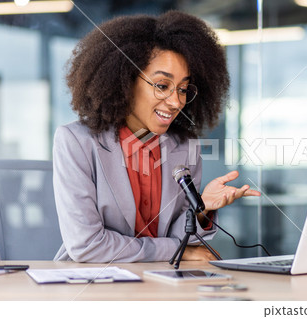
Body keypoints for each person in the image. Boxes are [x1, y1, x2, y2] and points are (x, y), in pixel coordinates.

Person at [53, 11, 260, 263]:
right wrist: (175, 252)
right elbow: (87, 246)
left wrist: (202, 208)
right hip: (92, 286)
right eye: (162, 85)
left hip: (163, 284)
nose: (175, 102)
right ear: (125, 80)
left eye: (183, 89)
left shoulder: (184, 147)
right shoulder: (76, 142)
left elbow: (184, 240)